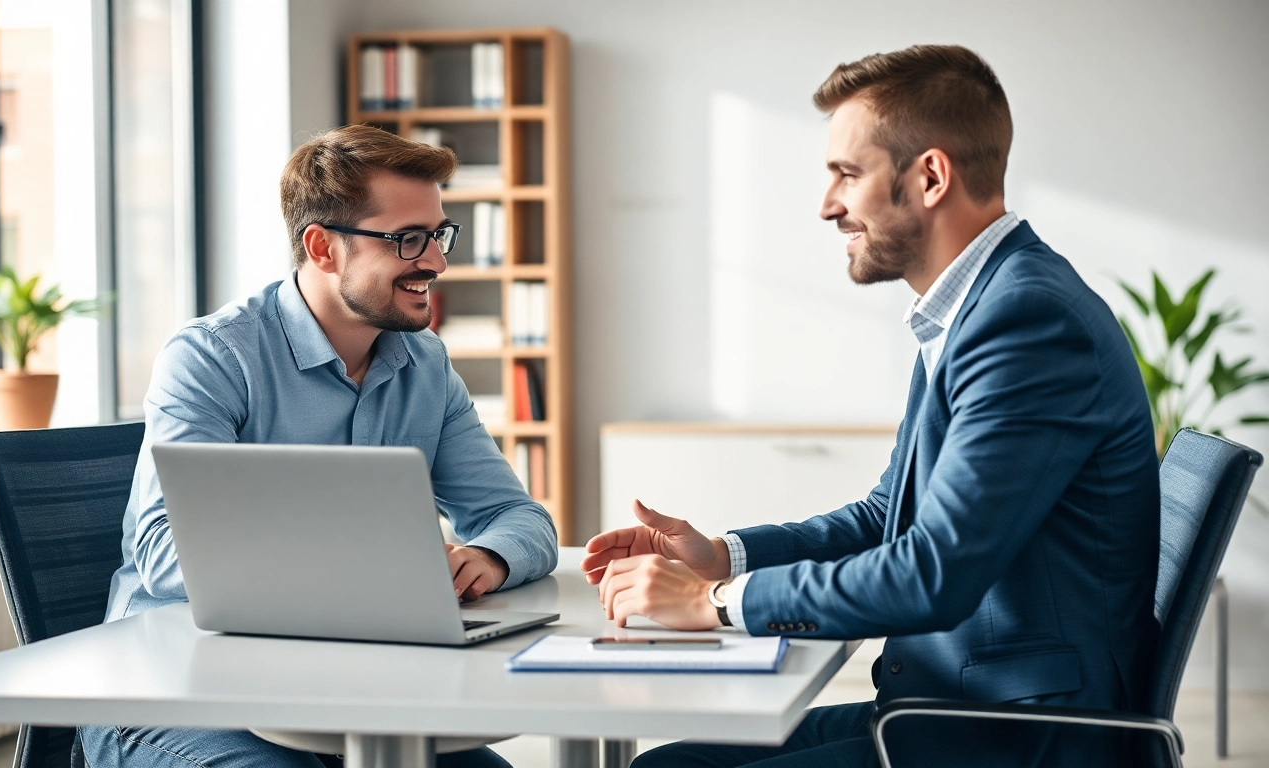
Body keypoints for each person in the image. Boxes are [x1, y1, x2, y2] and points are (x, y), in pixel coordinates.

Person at [583, 45, 1159, 767]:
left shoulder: (1027, 322)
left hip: (1018, 736)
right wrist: (721, 556)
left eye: (847, 175)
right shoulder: (976, 309)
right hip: (959, 706)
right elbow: (887, 517)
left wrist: (719, 604)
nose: (828, 205)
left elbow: (932, 573)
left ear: (929, 176)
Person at [82, 125, 557, 768]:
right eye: (408, 240)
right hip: (180, 695)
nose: (438, 263)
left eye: (438, 235)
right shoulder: (213, 358)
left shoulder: (426, 366)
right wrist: (376, 570)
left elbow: (522, 519)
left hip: (357, 689)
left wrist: (489, 558)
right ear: (323, 247)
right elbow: (167, 555)